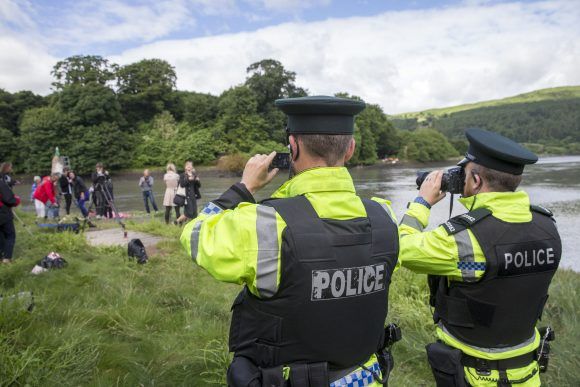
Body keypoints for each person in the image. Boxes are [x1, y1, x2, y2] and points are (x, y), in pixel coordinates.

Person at [180, 96, 400, 386]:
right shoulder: (385, 216)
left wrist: (243, 188)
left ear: (293, 147)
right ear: (350, 149)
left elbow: (194, 234)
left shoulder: (265, 223)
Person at [399, 128, 561, 387]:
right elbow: (494, 268)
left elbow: (402, 248)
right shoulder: (547, 225)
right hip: (528, 374)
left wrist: (422, 203)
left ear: (475, 181)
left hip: (475, 376)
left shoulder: (464, 241)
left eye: (463, 174)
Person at [0, 164, 21, 264]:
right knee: (10, 235)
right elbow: (9, 199)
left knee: (1, 235)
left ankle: (1, 257)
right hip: (3, 212)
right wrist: (16, 200)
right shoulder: (1, 183)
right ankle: (7, 258)